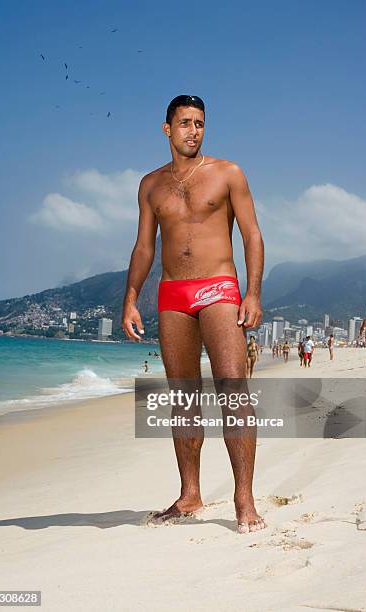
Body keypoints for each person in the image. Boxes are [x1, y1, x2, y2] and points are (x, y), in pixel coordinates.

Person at [121, 95, 265, 534]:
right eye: (184, 123)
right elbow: (145, 246)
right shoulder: (150, 185)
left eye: (199, 123)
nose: (193, 130)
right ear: (166, 129)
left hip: (219, 288)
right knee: (183, 398)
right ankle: (190, 495)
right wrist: (130, 298)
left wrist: (252, 293)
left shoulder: (227, 173)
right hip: (172, 294)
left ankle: (244, 498)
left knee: (232, 389)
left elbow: (252, 235)